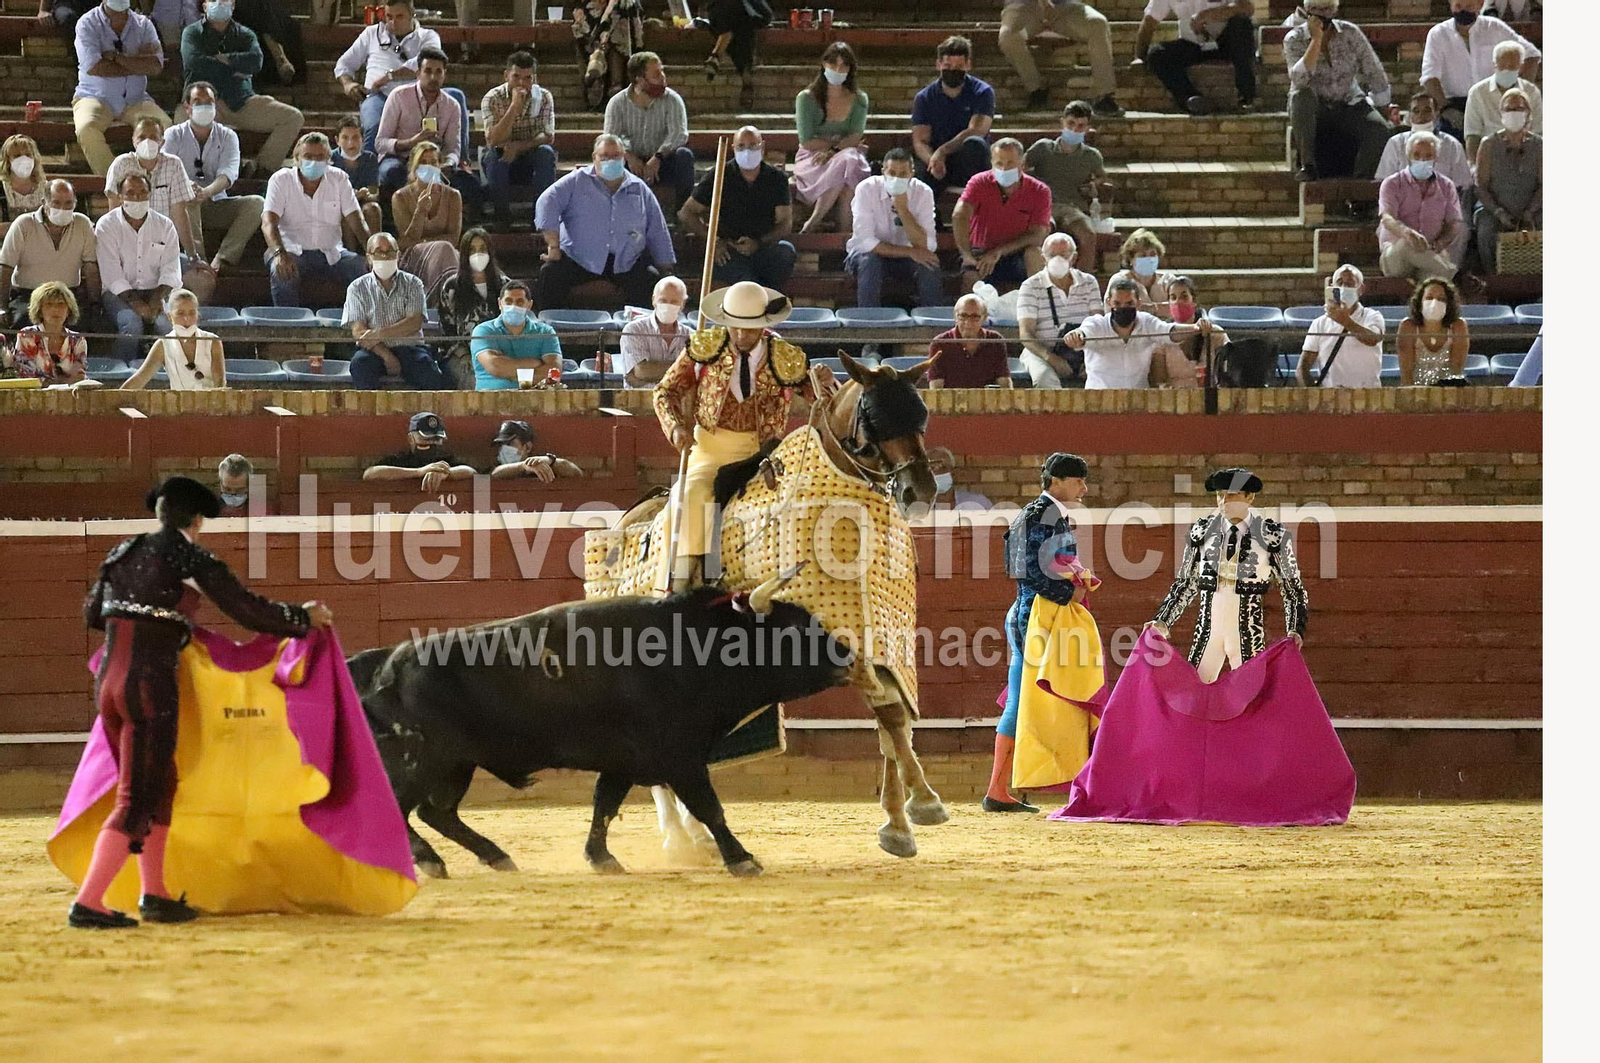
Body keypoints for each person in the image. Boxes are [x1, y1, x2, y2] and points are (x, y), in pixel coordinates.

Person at [72, 475, 330, 929]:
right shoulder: (188, 555)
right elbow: (245, 609)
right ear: (197, 520)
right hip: (149, 683)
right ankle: (89, 902)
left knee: (160, 785)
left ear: (159, 514)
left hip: (110, 684)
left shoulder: (122, 553)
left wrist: (157, 615)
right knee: (138, 797)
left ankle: (155, 894)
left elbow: (94, 614)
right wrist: (301, 617)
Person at [653, 280, 810, 590]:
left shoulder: (786, 356)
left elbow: (819, 398)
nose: (740, 335)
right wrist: (675, 427)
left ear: (764, 325)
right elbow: (664, 392)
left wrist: (824, 383)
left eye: (749, 329)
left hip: (767, 455)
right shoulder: (704, 347)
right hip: (712, 450)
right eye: (735, 326)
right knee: (689, 496)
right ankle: (681, 585)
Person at [990, 452, 1101, 812]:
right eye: (1078, 480)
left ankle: (998, 790)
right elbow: (1029, 572)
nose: (1084, 487)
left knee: (1023, 700)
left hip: (1027, 612)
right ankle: (999, 790)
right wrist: (1072, 591)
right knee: (1033, 698)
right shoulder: (1044, 515)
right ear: (1056, 481)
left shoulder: (1039, 513)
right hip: (1036, 615)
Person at [1147, 467, 1307, 683]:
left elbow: (1293, 590)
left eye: (1231, 495)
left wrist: (1295, 629)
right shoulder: (1201, 533)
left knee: (1250, 696)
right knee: (1193, 693)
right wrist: (1163, 621)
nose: (1223, 501)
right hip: (1207, 632)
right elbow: (1186, 584)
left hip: (1248, 634)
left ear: (1249, 497)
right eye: (1219, 495)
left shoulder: (1272, 537)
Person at [534, 134, 676, 310]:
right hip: (579, 258)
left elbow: (657, 229)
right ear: (595, 157)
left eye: (616, 156)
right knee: (549, 275)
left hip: (626, 262)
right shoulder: (576, 181)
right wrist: (553, 246)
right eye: (605, 156)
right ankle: (550, 330)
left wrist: (666, 269)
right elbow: (546, 202)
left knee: (653, 281)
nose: (611, 161)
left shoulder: (639, 189)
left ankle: (638, 333)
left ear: (624, 158)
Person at [179, 3, 305, 176]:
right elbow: (195, 62)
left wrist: (226, 58)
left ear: (233, 5)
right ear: (204, 5)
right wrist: (234, 69)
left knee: (292, 117)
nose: (219, 3)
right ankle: (203, 172)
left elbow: (255, 62)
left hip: (242, 101)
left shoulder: (246, 34)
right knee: (181, 119)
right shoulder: (192, 33)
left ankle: (261, 169)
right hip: (203, 102)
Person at [164, 82, 265, 277]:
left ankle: (222, 259)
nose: (204, 106)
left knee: (256, 204)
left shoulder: (228, 136)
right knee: (187, 199)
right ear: (187, 107)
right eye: (197, 102)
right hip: (180, 207)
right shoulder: (173, 134)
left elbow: (229, 174)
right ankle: (198, 263)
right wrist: (188, 188)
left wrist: (207, 191)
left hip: (215, 202)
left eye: (208, 102)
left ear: (216, 105)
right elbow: (165, 169)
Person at [1283, 1, 1392, 181]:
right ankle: (1308, 165)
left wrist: (1384, 105)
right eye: (1315, 10)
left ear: (1334, 11)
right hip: (1315, 106)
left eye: (1326, 9)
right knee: (1300, 97)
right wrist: (1316, 40)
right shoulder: (1294, 38)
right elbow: (1299, 79)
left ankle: (1360, 185)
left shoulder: (1350, 33)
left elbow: (1373, 69)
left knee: (1378, 130)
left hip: (1348, 101)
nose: (1321, 15)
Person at [261, 133, 372, 309]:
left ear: (329, 158)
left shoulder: (339, 178)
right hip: (290, 251)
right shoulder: (281, 179)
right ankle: (289, 329)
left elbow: (356, 220)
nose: (314, 161)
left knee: (369, 271)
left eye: (320, 157)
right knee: (281, 271)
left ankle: (365, 326)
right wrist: (279, 253)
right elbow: (268, 223)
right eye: (308, 157)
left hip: (333, 253)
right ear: (297, 158)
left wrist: (371, 252)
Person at [104, 117, 207, 302]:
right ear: (133, 140)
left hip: (162, 248)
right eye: (142, 137)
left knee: (203, 280)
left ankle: (186, 322)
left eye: (153, 137)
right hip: (126, 249)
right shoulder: (121, 164)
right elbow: (114, 213)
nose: (147, 141)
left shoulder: (173, 164)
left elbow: (179, 214)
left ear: (162, 141)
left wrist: (193, 256)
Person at [679, 125, 795, 288]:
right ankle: (757, 300)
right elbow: (686, 213)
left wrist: (758, 243)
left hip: (763, 247)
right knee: (745, 280)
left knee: (785, 251)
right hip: (728, 250)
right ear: (733, 149)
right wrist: (714, 241)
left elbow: (785, 223)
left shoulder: (777, 179)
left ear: (762, 147)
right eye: (741, 146)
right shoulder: (719, 175)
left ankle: (765, 301)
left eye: (753, 146)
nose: (747, 151)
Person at [71, 1, 169, 178]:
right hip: (94, 97)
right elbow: (95, 67)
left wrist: (116, 58)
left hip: (136, 99)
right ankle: (118, 182)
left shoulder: (144, 24)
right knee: (87, 129)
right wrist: (137, 62)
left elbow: (155, 66)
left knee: (166, 127)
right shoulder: (87, 23)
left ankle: (153, 180)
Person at [334, 0, 443, 156]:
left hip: (415, 96)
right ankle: (370, 169)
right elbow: (344, 64)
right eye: (389, 16)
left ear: (412, 15)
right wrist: (348, 84)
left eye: (399, 16)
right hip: (378, 96)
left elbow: (424, 63)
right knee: (373, 125)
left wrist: (389, 77)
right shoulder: (372, 34)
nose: (392, 22)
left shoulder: (428, 36)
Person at [1063, 277, 1214, 389]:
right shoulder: (1096, 324)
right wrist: (1076, 336)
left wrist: (1195, 329)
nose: (1123, 308)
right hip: (1098, 401)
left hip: (1138, 402)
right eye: (1117, 304)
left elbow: (1169, 332)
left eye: (1129, 304)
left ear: (1139, 303)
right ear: (1109, 303)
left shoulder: (1147, 322)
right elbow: (1082, 334)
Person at [1421, 0, 1540, 141]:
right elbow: (1429, 77)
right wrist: (1446, 108)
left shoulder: (1494, 27)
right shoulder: (1438, 34)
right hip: (1456, 106)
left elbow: (1532, 55)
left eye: (1469, 6)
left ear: (1480, 4)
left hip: (1492, 101)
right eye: (1458, 6)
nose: (1463, 11)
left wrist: (1519, 91)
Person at [375, 46, 476, 211]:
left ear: (445, 75)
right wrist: (411, 142)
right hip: (402, 159)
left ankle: (450, 228)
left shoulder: (452, 106)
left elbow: (453, 148)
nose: (433, 77)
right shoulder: (399, 96)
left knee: (471, 184)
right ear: (418, 74)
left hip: (435, 162)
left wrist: (448, 164)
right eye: (427, 71)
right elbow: (380, 143)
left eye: (438, 72)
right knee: (392, 172)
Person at [343, 232, 446, 390]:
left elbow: (414, 323)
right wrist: (387, 356)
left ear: (398, 255)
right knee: (359, 365)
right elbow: (359, 331)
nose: (385, 257)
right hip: (374, 350)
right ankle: (373, 415)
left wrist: (378, 334)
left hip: (410, 348)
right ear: (369, 257)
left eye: (390, 252)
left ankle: (426, 415)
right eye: (379, 252)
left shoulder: (413, 283)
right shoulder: (357, 287)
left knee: (428, 372)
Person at [96, 172, 181, 362]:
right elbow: (111, 275)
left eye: (142, 192)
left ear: (150, 195)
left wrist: (157, 298)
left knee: (167, 328)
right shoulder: (106, 226)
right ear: (120, 196)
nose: (137, 198)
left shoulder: (165, 225)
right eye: (130, 193)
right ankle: (121, 373)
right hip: (118, 293)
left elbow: (171, 269)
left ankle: (169, 374)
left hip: (157, 292)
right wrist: (136, 303)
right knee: (132, 326)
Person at [845, 148, 942, 312]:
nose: (897, 178)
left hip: (907, 260)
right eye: (892, 172)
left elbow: (928, 245)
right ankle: (868, 322)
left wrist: (903, 210)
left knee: (929, 262)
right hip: (867, 257)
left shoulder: (923, 192)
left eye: (903, 173)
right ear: (883, 172)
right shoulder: (866, 189)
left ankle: (932, 321)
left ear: (912, 173)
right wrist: (910, 252)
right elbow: (866, 242)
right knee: (870, 261)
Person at [952, 138, 1051, 295]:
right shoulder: (978, 183)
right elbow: (960, 215)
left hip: (1017, 253)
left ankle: (1039, 308)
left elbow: (1038, 234)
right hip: (980, 252)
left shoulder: (1039, 191)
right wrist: (966, 255)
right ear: (991, 163)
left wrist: (999, 252)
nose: (1004, 169)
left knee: (1035, 254)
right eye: (999, 163)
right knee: (970, 278)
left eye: (1010, 163)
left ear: (1022, 163)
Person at [0, 180, 101, 329]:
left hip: (67, 296)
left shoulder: (83, 224)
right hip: (28, 295)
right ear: (44, 203)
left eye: (68, 203)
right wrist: (2, 307)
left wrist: (95, 303)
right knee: (21, 322)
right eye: (56, 203)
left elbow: (90, 267)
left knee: (83, 324)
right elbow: (6, 267)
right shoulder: (24, 224)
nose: (62, 208)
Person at [603, 51, 696, 212]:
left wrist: (658, 157)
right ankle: (612, 213)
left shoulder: (672, 100)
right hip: (631, 161)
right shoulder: (617, 103)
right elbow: (611, 137)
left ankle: (683, 212)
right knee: (608, 161)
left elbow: (679, 134)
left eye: (662, 72)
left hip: (663, 160)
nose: (663, 78)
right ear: (639, 80)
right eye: (656, 74)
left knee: (684, 156)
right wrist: (629, 156)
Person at [793, 42, 871, 234]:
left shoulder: (859, 99)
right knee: (849, 162)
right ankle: (835, 233)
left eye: (844, 65)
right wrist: (838, 146)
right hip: (813, 157)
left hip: (845, 154)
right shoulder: (806, 98)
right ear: (823, 64)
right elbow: (807, 140)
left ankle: (829, 229)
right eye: (833, 64)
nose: (838, 69)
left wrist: (834, 151)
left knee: (849, 163)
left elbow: (856, 134)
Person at [998, 0, 1122, 116]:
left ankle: (1103, 96)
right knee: (1008, 37)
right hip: (1023, 7)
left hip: (1064, 6)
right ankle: (1037, 89)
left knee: (1098, 23)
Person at [1023, 101, 1105, 273]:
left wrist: (1092, 186)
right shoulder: (1043, 148)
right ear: (1063, 123)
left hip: (1073, 208)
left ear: (1088, 127)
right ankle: (1043, 282)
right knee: (1043, 231)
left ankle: (1082, 284)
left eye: (1081, 126)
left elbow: (1101, 176)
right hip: (1045, 206)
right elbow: (1020, 168)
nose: (1075, 130)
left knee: (1088, 234)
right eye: (1071, 124)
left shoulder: (1091, 156)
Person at [1134, 0, 1258, 115]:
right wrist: (1139, 57)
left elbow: (1246, 7)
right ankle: (1192, 100)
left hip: (1226, 44)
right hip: (1193, 45)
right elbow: (1149, 22)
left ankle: (1246, 97)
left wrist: (1210, 14)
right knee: (1157, 53)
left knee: (1242, 25)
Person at [481, 50, 558, 233]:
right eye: (516, 77)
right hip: (501, 153)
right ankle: (502, 218)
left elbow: (548, 135)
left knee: (546, 154)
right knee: (494, 159)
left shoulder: (544, 97)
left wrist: (518, 146)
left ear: (535, 79)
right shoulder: (492, 97)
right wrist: (514, 108)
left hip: (529, 155)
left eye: (527, 78)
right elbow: (493, 139)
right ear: (506, 75)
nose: (522, 83)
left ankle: (540, 218)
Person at [1016, 231, 1103, 387]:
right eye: (1052, 255)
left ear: (1073, 258)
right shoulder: (1030, 286)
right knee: (1044, 378)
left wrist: (1092, 357)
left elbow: (1099, 324)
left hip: (1084, 350)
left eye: (1063, 255)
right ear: (1043, 258)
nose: (1057, 260)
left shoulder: (1089, 283)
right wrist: (1051, 358)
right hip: (1042, 351)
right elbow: (1026, 333)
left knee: (1104, 373)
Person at [911, 36, 995, 197]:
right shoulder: (925, 97)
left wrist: (944, 151)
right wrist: (933, 161)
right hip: (938, 160)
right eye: (948, 66)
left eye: (959, 67)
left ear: (968, 65)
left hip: (968, 159)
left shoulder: (982, 92)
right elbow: (920, 140)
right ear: (939, 65)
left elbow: (977, 130)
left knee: (975, 144)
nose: (953, 71)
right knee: (918, 176)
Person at [1378, 131, 1464, 284]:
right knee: (1406, 244)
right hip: (1396, 255)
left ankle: (1444, 272)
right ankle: (1454, 274)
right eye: (1416, 155)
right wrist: (1406, 232)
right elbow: (1387, 218)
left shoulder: (1446, 186)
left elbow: (1454, 223)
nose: (1422, 160)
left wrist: (1441, 243)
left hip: (1431, 254)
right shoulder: (1392, 183)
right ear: (1408, 157)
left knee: (1434, 281)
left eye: (1428, 156)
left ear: (1436, 158)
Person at [1473, 88, 1540, 276]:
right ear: (1501, 113)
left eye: (1519, 109)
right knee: (1487, 231)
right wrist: (1499, 212)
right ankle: (1494, 282)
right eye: (1509, 109)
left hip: (1532, 208)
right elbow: (1480, 186)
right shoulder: (1488, 144)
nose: (1514, 113)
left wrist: (1529, 212)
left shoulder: (1540, 145)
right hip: (1495, 209)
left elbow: (1545, 185)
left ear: (1528, 113)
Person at [435, 228, 506, 388]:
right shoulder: (452, 287)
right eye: (472, 250)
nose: (477, 254)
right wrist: (465, 355)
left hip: (499, 353)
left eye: (482, 249)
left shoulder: (504, 285)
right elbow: (447, 331)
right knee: (474, 380)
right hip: (461, 355)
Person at [1295, 263, 1384, 387]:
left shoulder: (1372, 316)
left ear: (1361, 289)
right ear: (1332, 287)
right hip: (1331, 396)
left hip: (1367, 394)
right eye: (1340, 282)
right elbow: (1302, 367)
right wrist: (1313, 395)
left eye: (1350, 283)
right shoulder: (1320, 323)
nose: (1343, 287)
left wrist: (1346, 321)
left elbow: (1373, 338)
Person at [392, 142, 463, 297]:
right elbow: (406, 242)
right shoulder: (400, 197)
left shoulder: (453, 196)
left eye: (433, 162)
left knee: (445, 250)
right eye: (423, 162)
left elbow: (453, 238)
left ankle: (449, 299)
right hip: (415, 257)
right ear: (414, 166)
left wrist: (427, 242)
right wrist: (420, 212)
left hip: (446, 254)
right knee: (444, 248)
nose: (429, 167)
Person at [123, 288, 225, 390]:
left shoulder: (212, 341)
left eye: (192, 313)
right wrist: (115, 398)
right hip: (178, 404)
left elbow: (220, 384)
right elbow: (139, 379)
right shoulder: (163, 345)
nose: (186, 318)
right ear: (169, 316)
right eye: (180, 313)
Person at [470, 279, 563, 390]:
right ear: (500, 303)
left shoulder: (546, 332)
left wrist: (512, 373)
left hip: (534, 401)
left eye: (519, 302)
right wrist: (534, 363)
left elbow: (554, 373)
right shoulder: (483, 331)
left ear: (529, 305)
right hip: (490, 401)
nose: (513, 306)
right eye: (508, 301)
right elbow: (495, 367)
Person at [1463, 40, 1543, 158]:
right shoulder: (1477, 92)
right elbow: (1472, 134)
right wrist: (1474, 166)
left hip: (1525, 155)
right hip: (1489, 155)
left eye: (1511, 67)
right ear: (1494, 65)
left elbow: (1538, 131)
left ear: (1520, 67)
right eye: (1501, 66)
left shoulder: (1531, 91)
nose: (1506, 70)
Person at [363, 412, 477, 493]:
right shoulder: (402, 459)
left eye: (436, 439)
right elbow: (370, 474)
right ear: (411, 439)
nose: (432, 443)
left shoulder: (443, 460)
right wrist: (419, 472)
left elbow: (471, 471)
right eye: (426, 439)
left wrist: (445, 473)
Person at [1149, 275, 1228, 387]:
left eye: (1184, 297)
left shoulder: (1215, 333)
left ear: (1194, 301)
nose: (1178, 302)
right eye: (1173, 297)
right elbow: (1159, 380)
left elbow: (1228, 369)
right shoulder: (1162, 337)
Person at [6, 282, 90, 385]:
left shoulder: (77, 340)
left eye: (61, 304)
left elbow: (79, 376)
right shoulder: (27, 336)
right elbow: (26, 375)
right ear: (40, 310)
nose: (56, 309)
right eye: (49, 304)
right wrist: (63, 382)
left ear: (68, 310)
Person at [616, 275, 691, 389]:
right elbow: (641, 371)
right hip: (640, 402)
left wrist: (653, 371)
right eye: (663, 300)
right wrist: (684, 368)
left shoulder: (691, 336)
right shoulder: (634, 330)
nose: (668, 306)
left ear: (683, 304)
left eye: (674, 302)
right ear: (653, 300)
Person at [572, 0, 645, 110]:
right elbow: (580, 25)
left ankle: (614, 96)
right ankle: (595, 96)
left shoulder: (626, 4)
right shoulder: (586, 6)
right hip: (592, 46)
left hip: (618, 45)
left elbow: (635, 27)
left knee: (616, 55)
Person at [927, 293, 1011, 389]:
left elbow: (1005, 383)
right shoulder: (940, 343)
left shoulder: (995, 341)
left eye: (975, 317)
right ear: (955, 317)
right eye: (963, 316)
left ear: (984, 318)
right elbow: (936, 389)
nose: (968, 323)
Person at [1396, 277, 1469, 386]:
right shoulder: (1408, 327)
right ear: (1420, 302)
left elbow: (1456, 371)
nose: (1435, 303)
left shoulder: (1458, 327)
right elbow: (1406, 375)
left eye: (1441, 299)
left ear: (1448, 304)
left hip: (1448, 392)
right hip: (1414, 392)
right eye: (1429, 298)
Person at [702, 0, 769, 111]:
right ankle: (745, 77)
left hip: (751, 10)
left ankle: (717, 53)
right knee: (739, 28)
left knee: (735, 20)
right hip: (729, 16)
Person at [1103, 228, 1176, 318]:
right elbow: (1112, 313)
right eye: (1143, 255)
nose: (1149, 259)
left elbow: (1179, 309)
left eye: (1153, 254)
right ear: (1131, 259)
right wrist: (1161, 309)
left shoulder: (1168, 280)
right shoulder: (1120, 280)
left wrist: (1147, 308)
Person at [331, 115, 384, 238]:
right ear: (337, 140)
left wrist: (368, 195)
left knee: (373, 209)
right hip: (338, 205)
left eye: (355, 138)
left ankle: (375, 249)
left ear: (363, 139)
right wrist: (351, 197)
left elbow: (374, 191)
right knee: (348, 213)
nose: (351, 143)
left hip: (362, 202)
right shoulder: (331, 159)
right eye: (345, 138)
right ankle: (352, 254)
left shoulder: (370, 159)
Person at [233, 0, 304, 86]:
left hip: (258, 15)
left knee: (290, 24)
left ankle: (280, 62)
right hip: (233, 10)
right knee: (260, 5)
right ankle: (280, 59)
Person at [488, 420, 584, 481]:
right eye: (501, 445)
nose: (505, 449)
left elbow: (576, 474)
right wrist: (523, 466)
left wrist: (550, 461)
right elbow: (494, 473)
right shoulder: (497, 469)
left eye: (510, 444)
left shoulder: (540, 465)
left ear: (528, 447)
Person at [1, 135, 49, 224]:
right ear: (8, 160)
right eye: (17, 156)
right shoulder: (2, 189)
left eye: (28, 155)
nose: (24, 159)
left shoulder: (45, 188)